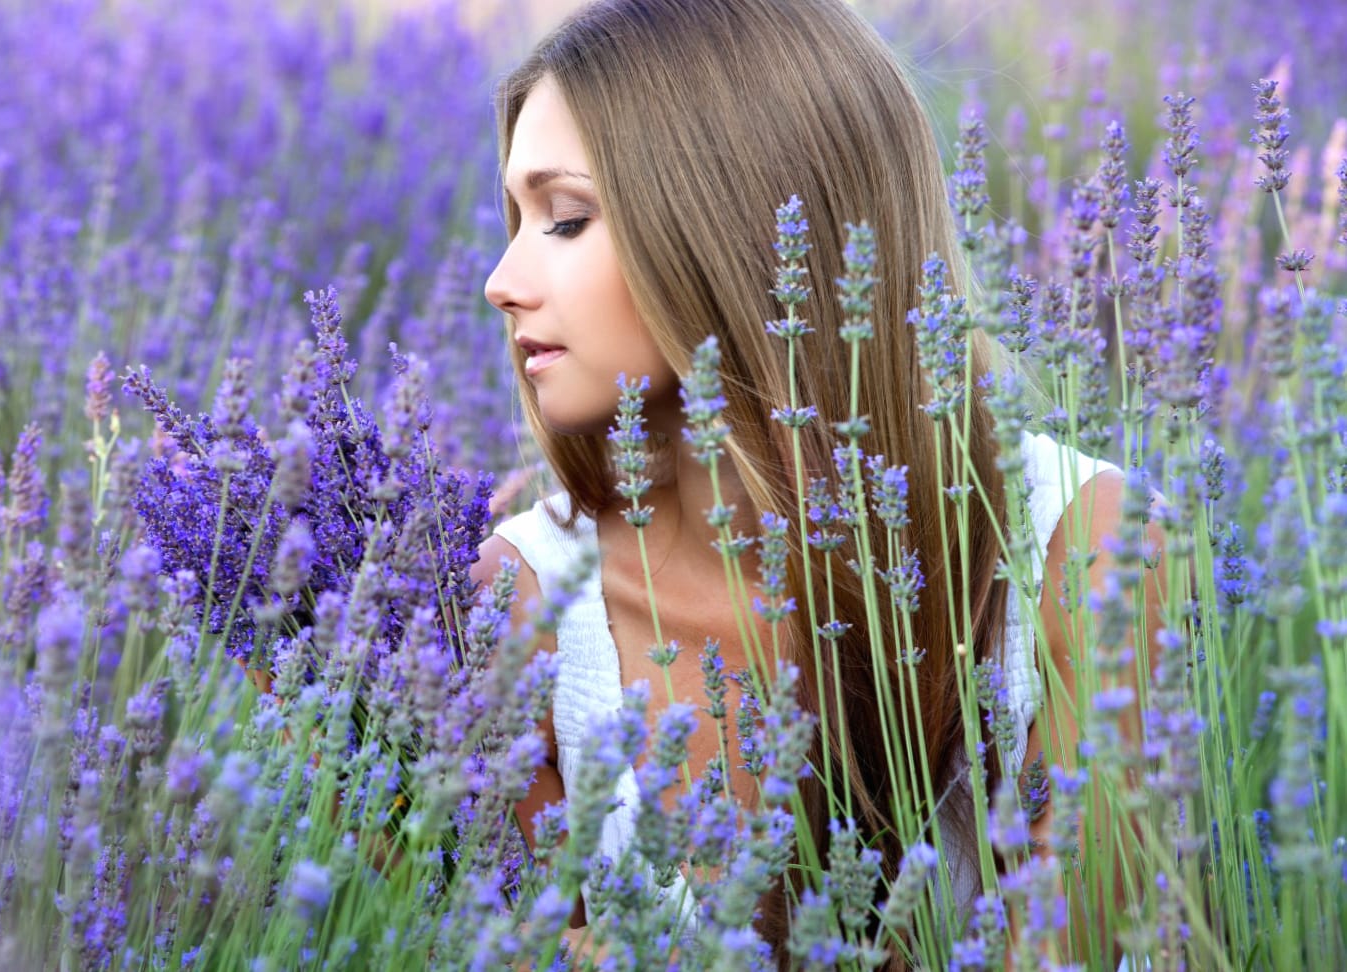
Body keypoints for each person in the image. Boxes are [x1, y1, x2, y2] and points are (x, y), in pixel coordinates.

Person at [473, 0, 1162, 965]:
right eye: (516, 220)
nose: (501, 279)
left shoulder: (1081, 543)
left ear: (731, 223)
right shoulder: (530, 592)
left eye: (567, 218)